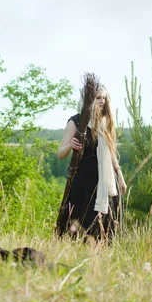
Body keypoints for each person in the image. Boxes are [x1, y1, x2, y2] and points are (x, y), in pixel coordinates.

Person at [57, 87, 127, 240]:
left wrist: (120, 175)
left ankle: (103, 255)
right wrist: (70, 146)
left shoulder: (105, 121)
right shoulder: (76, 122)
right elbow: (60, 153)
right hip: (84, 181)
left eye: (104, 97)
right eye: (98, 98)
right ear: (88, 99)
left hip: (105, 179)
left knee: (106, 223)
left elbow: (111, 151)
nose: (102, 101)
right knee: (83, 221)